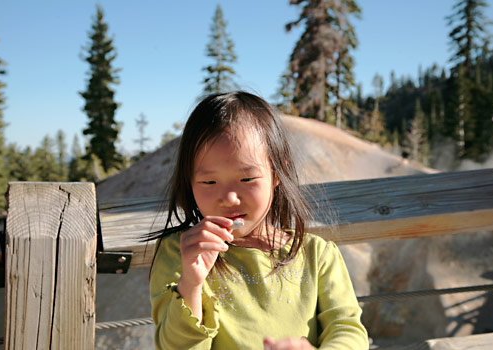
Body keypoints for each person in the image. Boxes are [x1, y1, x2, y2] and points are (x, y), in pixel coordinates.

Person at [149, 91, 368, 350]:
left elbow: (348, 330)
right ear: (189, 181)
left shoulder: (316, 255)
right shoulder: (181, 252)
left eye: (247, 179)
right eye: (209, 181)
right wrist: (192, 284)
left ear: (277, 172)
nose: (230, 198)